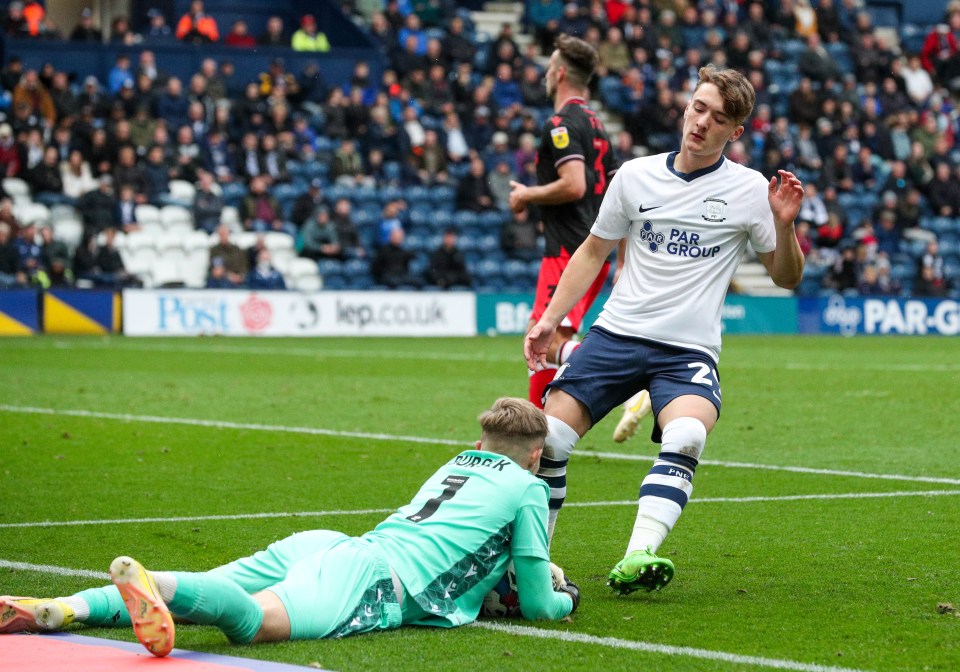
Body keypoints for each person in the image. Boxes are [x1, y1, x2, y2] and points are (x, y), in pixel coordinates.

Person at [0, 398, 578, 657]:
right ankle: (162, 590)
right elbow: (534, 599)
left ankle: (64, 607)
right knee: (256, 624)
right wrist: (561, 601)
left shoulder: (456, 461)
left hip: (335, 545)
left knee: (216, 578)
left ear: (481, 444)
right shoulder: (528, 487)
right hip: (374, 578)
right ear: (533, 456)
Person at [523, 64, 805, 594]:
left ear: (734, 133)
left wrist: (785, 225)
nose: (701, 123)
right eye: (698, 108)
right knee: (550, 439)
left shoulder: (749, 191)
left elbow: (787, 276)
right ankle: (533, 565)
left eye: (718, 118)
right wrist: (550, 321)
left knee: (689, 433)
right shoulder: (634, 176)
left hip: (687, 350)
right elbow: (592, 251)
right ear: (686, 106)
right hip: (616, 335)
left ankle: (638, 555)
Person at [505, 34, 649, 440]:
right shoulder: (598, 125)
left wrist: (526, 194)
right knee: (547, 344)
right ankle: (535, 433)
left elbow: (573, 185)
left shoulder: (562, 125)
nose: (547, 73)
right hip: (593, 250)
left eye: (550, 66)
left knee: (543, 341)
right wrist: (621, 259)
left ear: (560, 73)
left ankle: (637, 385)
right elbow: (623, 192)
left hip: (570, 251)